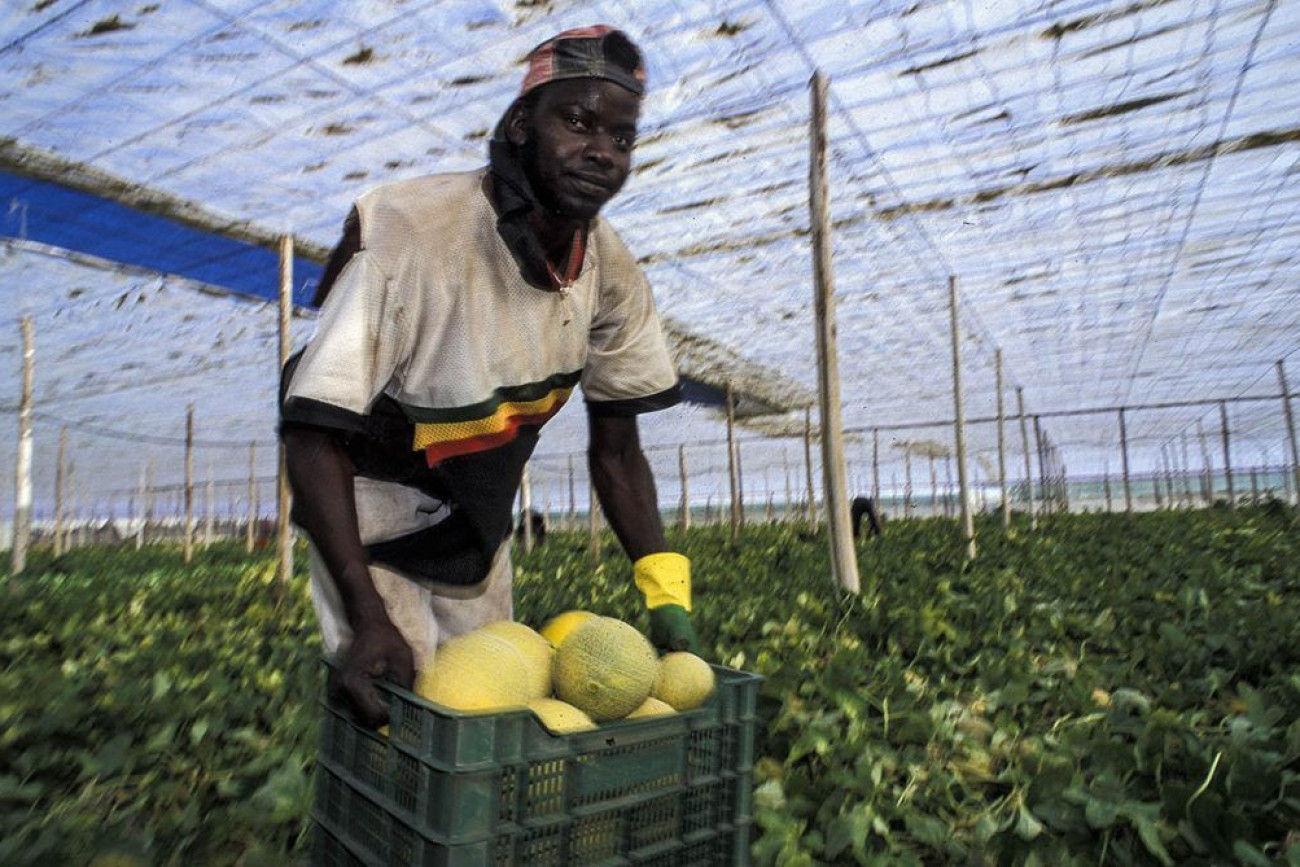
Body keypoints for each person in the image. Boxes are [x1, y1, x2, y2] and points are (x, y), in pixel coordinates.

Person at [279, 26, 699, 729]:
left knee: (490, 720)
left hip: (478, 518)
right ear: (521, 124)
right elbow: (312, 432)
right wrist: (367, 613)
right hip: (371, 506)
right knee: (407, 716)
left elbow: (618, 454)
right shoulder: (415, 233)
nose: (602, 150)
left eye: (622, 137)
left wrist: (665, 593)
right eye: (577, 122)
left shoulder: (610, 272)